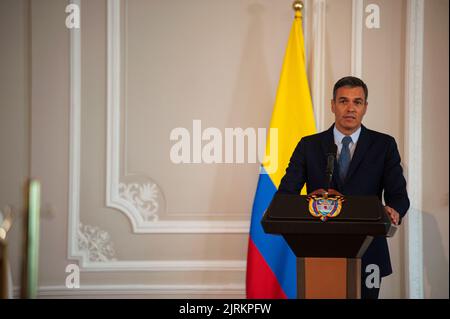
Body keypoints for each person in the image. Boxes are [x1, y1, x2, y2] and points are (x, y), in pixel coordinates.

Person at [277, 76, 410, 299]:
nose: (350, 108)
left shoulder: (384, 145)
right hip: (318, 250)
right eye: (343, 101)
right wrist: (310, 202)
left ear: (365, 107)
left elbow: (398, 196)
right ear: (332, 105)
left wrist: (393, 210)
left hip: (369, 250)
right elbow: (286, 195)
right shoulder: (309, 145)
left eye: (357, 102)